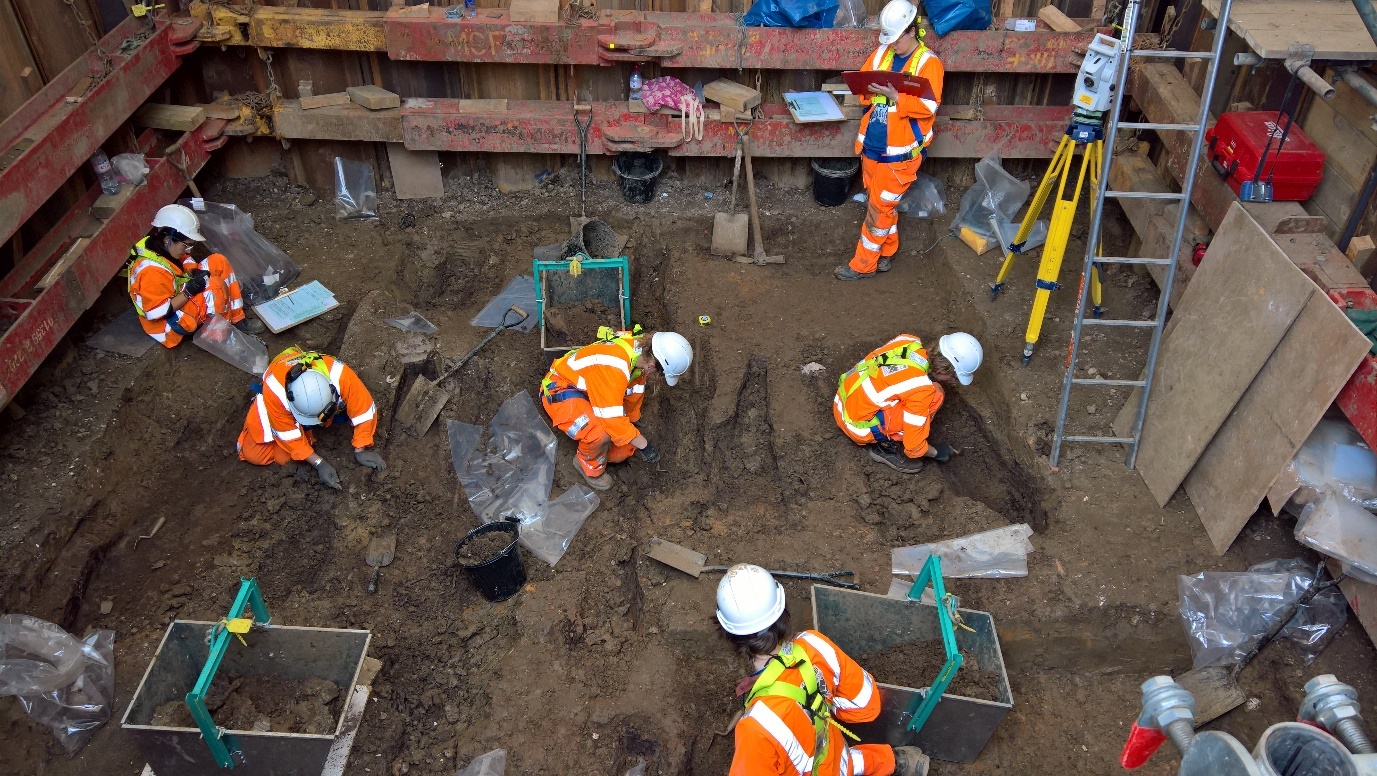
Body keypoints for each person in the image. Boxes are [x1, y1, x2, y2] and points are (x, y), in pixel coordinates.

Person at [717, 564, 930, 776]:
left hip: (808, 767)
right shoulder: (815, 645)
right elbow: (867, 705)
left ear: (731, 635)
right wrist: (820, 702)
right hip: (831, 752)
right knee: (843, 764)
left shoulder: (755, 728)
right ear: (782, 613)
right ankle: (900, 763)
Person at [835, 0, 944, 281]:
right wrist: (868, 90)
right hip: (872, 147)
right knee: (881, 204)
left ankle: (863, 264)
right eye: (889, 38)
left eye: (896, 38)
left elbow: (929, 108)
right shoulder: (882, 52)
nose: (891, 44)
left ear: (911, 31)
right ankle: (886, 252)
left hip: (899, 155)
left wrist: (897, 97)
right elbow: (863, 86)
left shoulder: (929, 63)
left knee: (880, 208)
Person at [539, 325, 692, 491]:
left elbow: (633, 393)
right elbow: (610, 420)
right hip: (560, 392)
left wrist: (631, 422)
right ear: (652, 363)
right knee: (601, 433)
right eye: (662, 374)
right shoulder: (615, 366)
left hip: (588, 390)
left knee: (621, 452)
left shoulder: (637, 354)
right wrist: (644, 445)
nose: (659, 378)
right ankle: (587, 466)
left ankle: (602, 443)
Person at [237, 346, 385, 490]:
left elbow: (364, 409)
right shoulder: (275, 392)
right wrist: (318, 463)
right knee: (259, 455)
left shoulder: (339, 374)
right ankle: (308, 434)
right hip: (276, 401)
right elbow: (287, 435)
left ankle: (312, 431)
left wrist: (361, 447)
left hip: (326, 404)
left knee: (349, 411)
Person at [833, 332, 982, 473]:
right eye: (952, 377)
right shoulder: (921, 390)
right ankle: (885, 447)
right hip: (855, 426)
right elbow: (914, 447)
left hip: (843, 398)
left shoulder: (909, 340)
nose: (951, 381)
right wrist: (936, 452)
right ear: (943, 371)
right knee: (936, 395)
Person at [127, 204, 264, 346]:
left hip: (176, 293)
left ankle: (237, 318)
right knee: (214, 286)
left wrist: (194, 271)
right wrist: (189, 292)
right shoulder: (151, 273)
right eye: (186, 245)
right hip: (169, 323)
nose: (189, 251)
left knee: (218, 261)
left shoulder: (161, 246)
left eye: (191, 245)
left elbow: (185, 259)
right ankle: (216, 337)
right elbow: (157, 313)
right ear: (168, 239)